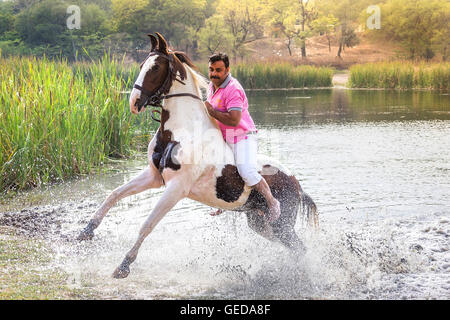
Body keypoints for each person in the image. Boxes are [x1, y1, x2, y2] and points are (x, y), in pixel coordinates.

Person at [204, 53, 281, 223]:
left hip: (243, 136)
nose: (214, 73)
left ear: (227, 70)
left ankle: (272, 202)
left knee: (246, 171)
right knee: (211, 166)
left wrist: (212, 112)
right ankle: (221, 202)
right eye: (211, 69)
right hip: (224, 137)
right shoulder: (212, 86)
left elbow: (234, 119)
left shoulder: (233, 88)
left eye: (218, 70)